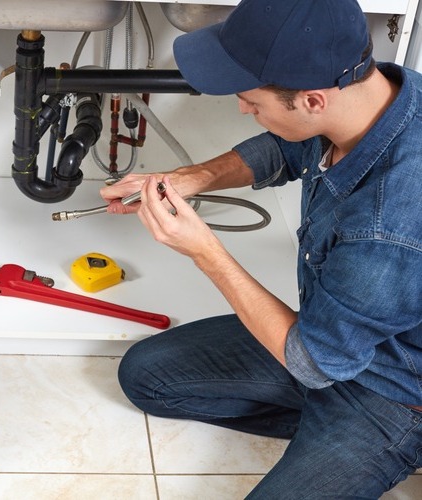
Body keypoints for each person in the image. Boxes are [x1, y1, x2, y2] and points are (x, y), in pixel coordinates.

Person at [100, 0, 422, 497]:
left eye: (252, 100)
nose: (242, 109)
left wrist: (205, 251)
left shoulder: (388, 225)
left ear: (313, 99)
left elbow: (313, 360)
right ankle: (325, 438)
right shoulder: (379, 96)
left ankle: (369, 445)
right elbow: (289, 144)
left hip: (393, 394)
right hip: (333, 338)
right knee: (147, 378)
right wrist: (189, 178)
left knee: (315, 375)